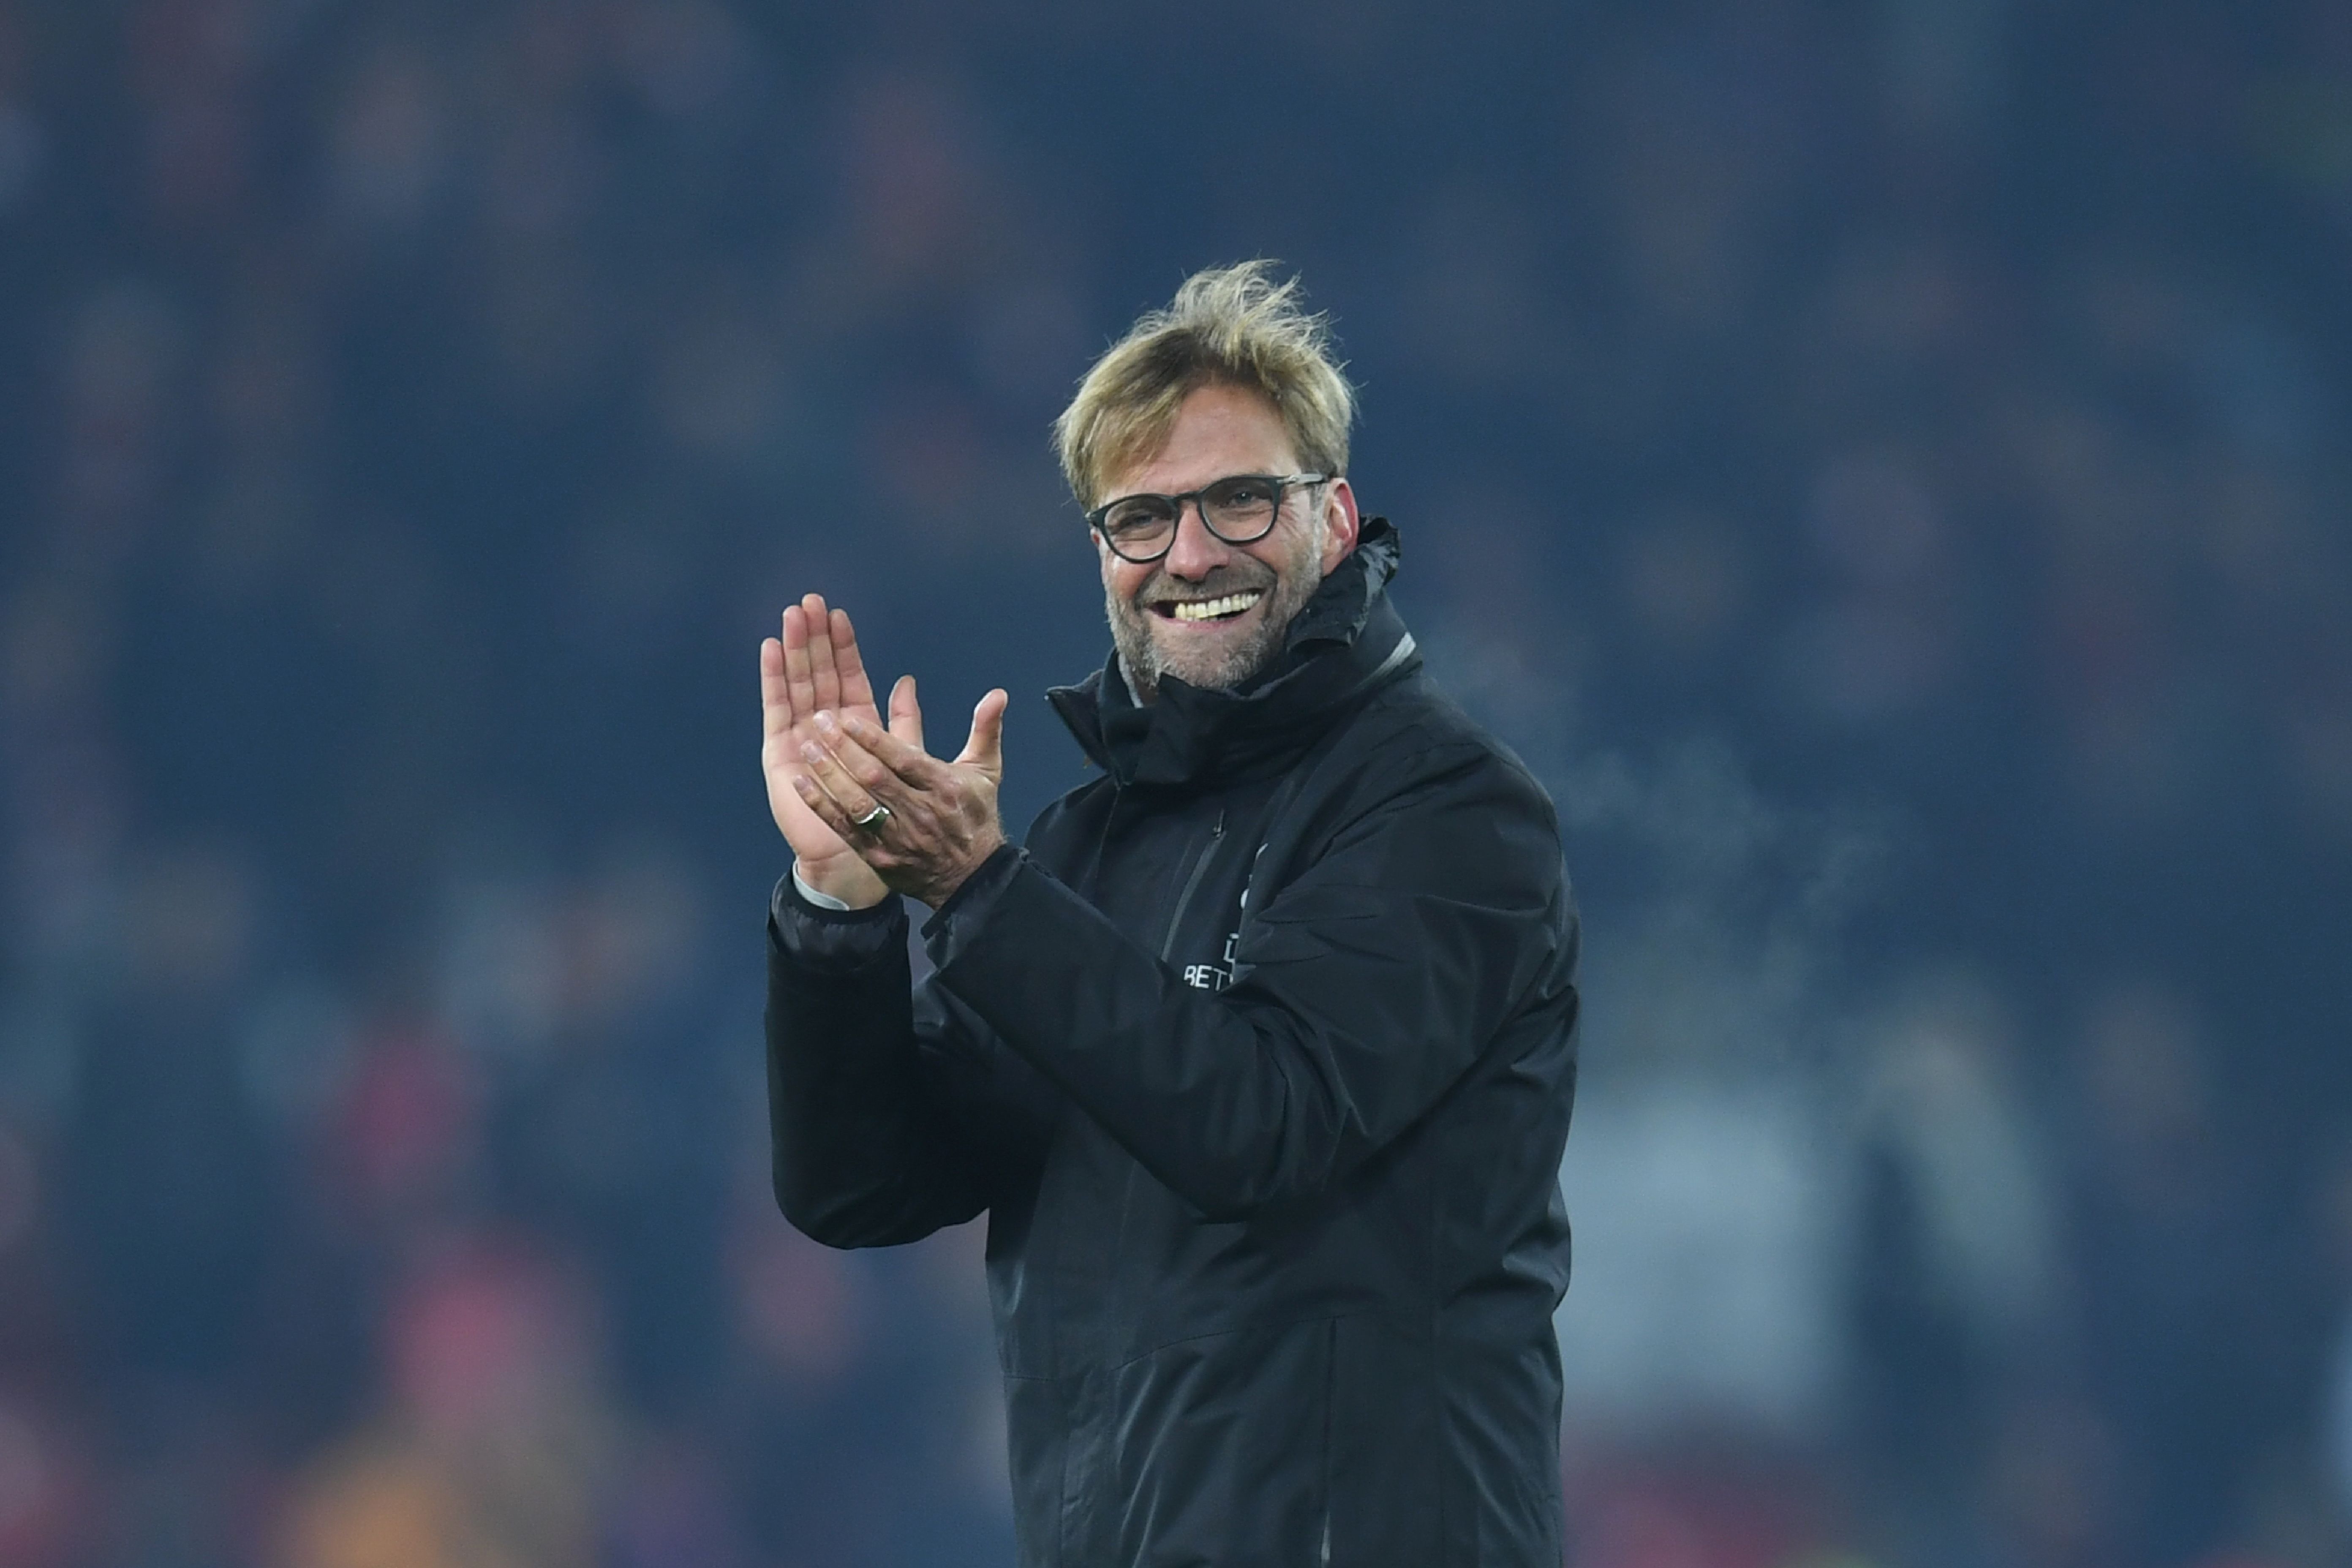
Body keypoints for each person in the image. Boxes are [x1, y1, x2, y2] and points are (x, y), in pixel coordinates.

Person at [757, 261, 1581, 1567]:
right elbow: (864, 1184)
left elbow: (1262, 1123)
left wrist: (976, 889)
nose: (1189, 554)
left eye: (1239, 500)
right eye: (1141, 518)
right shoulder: (1084, 848)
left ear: (1337, 515)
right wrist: (842, 912)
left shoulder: (1449, 811)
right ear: (1102, 555)